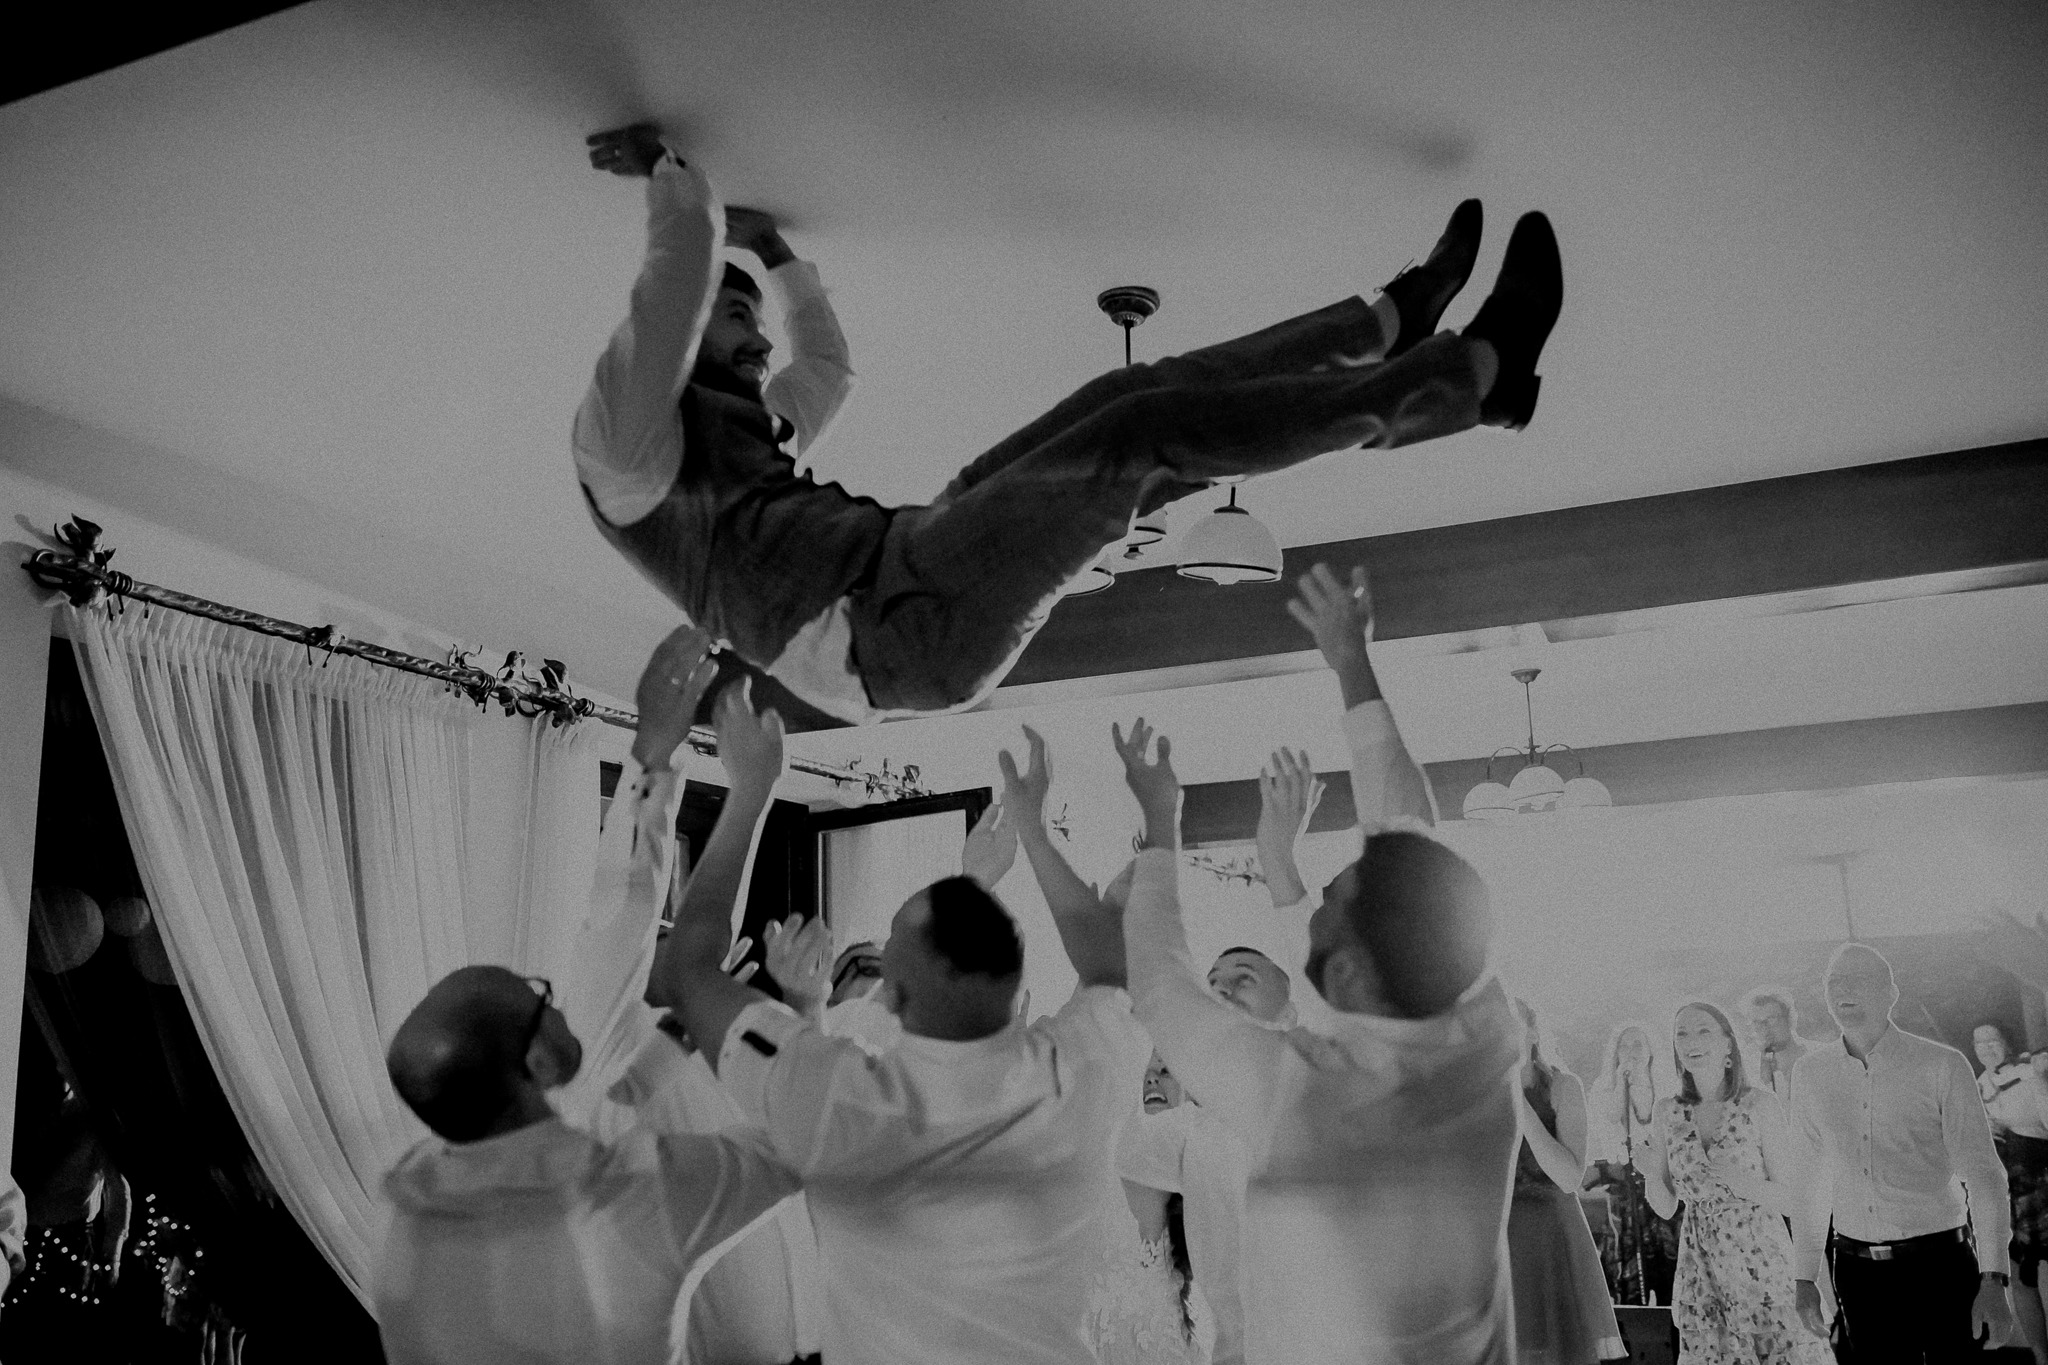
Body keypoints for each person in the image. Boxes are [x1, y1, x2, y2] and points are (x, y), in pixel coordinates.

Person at [577, 123, 1565, 722]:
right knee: (1139, 439)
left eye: (752, 321)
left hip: (905, 556)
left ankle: (1388, 324)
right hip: (890, 637)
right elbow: (676, 274)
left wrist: (780, 259)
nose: (759, 343)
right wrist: (672, 174)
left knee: (1132, 398)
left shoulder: (737, 436)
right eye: (737, 317)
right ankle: (1465, 382)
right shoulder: (627, 450)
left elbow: (825, 370)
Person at [638, 639, 1154, 1365]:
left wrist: (750, 790)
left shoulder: (838, 1099)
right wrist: (1033, 832)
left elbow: (689, 972)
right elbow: (1112, 960)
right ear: (1017, 977)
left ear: (895, 995)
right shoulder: (1081, 1073)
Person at [1120, 562, 1524, 1364]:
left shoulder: (1294, 1089)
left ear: (1340, 979)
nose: (1312, 904)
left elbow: (1162, 984)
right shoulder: (1484, 1039)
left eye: (1325, 904)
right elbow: (1409, 842)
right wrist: (1351, 662)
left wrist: (1160, 823)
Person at [1790, 943, 2016, 1363]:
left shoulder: (1942, 1065)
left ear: (1890, 993)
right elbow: (1809, 1182)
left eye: (1858, 980)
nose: (1843, 990)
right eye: (1834, 981)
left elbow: (1984, 1175)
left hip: (1941, 1267)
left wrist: (1994, 1277)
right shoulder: (1809, 1074)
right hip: (1857, 1274)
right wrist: (1804, 1278)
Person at [1639, 1003, 1826, 1365]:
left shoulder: (1760, 1104)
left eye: (1703, 1031)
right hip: (1700, 1267)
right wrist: (1649, 1172)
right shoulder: (1667, 1111)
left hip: (1761, 1262)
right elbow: (1665, 1207)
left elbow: (1792, 1200)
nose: (1691, 1041)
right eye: (1682, 1033)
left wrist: (1743, 1183)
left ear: (1728, 1043)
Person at [1507, 1000, 1626, 1365]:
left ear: (1532, 1033)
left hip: (1552, 1239)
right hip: (1498, 1243)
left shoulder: (1563, 1086)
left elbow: (1569, 1178)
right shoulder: (1476, 1094)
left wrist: (1518, 1103)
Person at [1090, 1053, 1213, 1365]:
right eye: (1140, 1070)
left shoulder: (1207, 1194)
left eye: (1165, 1070)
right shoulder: (1098, 1175)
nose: (1151, 1078)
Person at [1584, 1024, 1681, 1307]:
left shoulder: (1668, 1086)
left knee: (1669, 1262)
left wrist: (1641, 1089)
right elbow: (1608, 1131)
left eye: (1638, 1044)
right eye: (1623, 1046)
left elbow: (1655, 1127)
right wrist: (1620, 1088)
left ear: (1651, 1050)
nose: (1631, 1052)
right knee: (1629, 1270)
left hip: (1662, 1182)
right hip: (1624, 1187)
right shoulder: (1603, 1088)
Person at [1974, 1022, 2048, 1364]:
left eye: (1992, 1040)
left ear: (2006, 1042)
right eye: (1979, 1042)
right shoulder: (1980, 1084)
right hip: (2012, 1190)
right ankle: (2041, 1357)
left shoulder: (2031, 1072)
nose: (1986, 1047)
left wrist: (2042, 1080)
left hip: (2042, 1180)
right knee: (2020, 1275)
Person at [1744, 991, 1811, 1111]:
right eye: (1756, 1023)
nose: (1764, 1028)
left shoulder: (1816, 1055)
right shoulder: (1748, 1069)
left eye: (1771, 1019)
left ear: (1789, 1019)